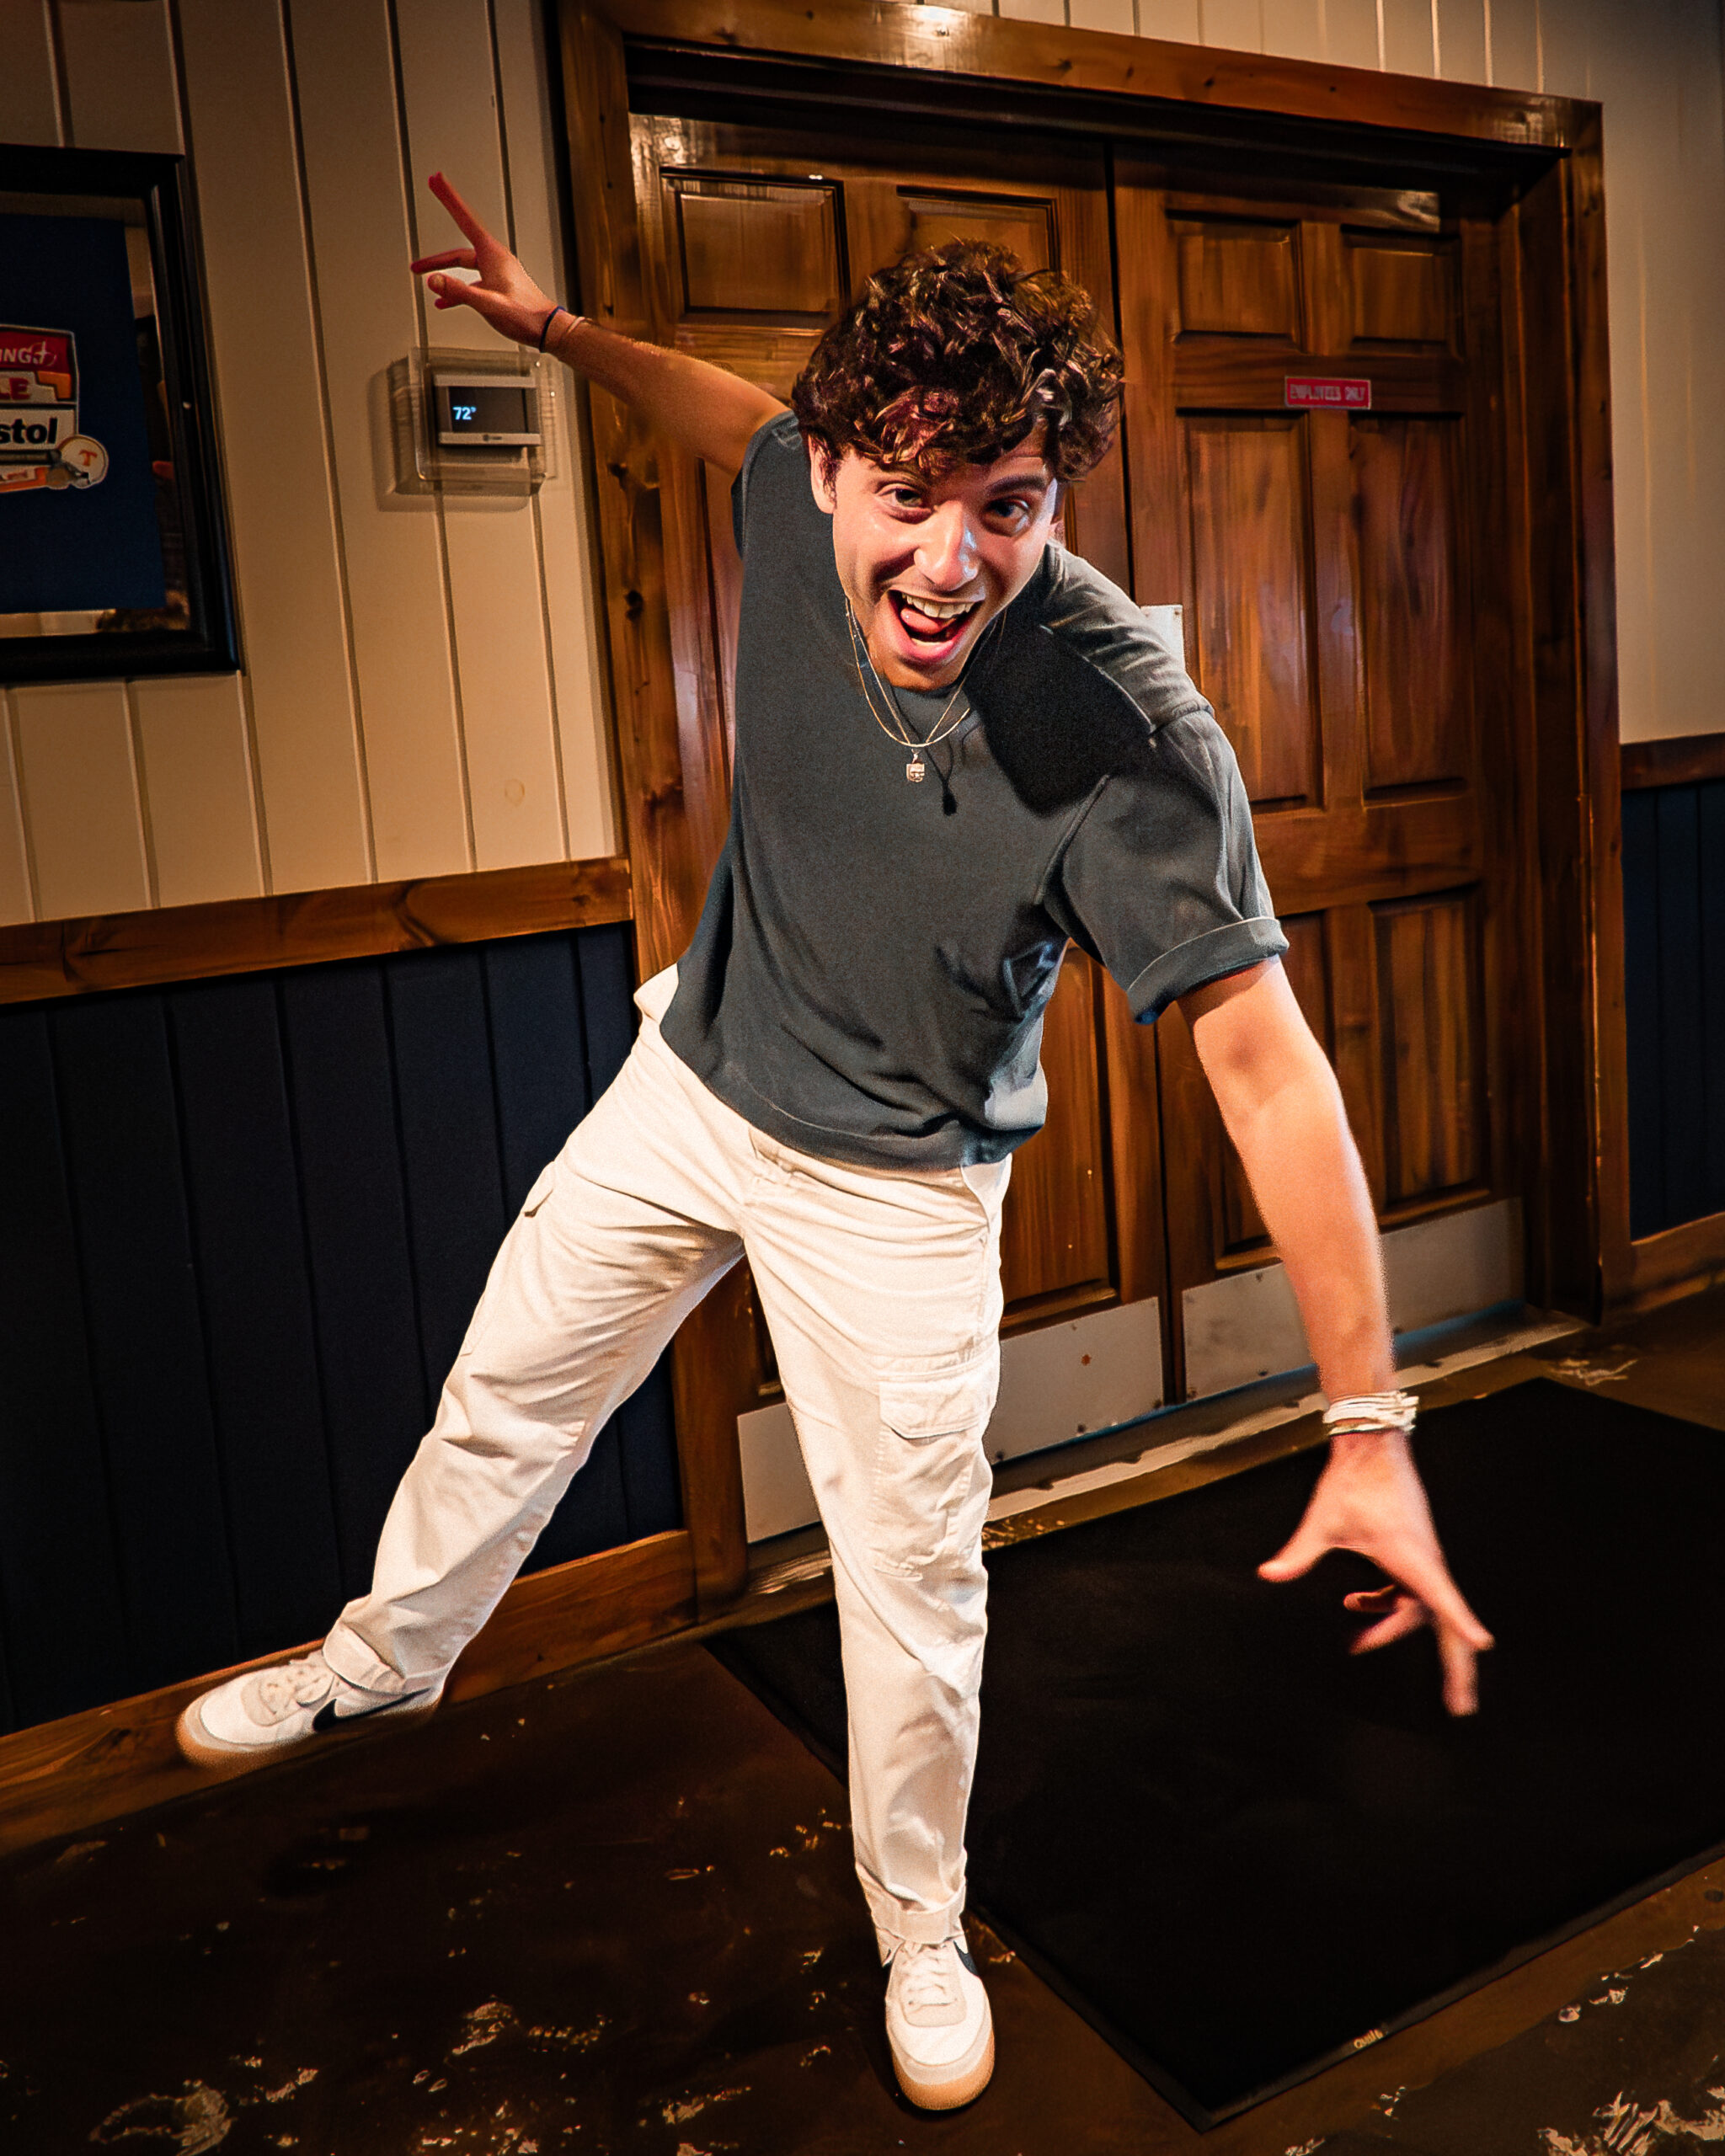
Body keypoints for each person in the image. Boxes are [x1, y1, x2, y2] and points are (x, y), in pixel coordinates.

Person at [177, 173, 1493, 2112]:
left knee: (909, 1584)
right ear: (827, 474)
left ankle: (919, 1922)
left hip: (898, 1185)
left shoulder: (1122, 725)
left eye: (1008, 504)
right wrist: (557, 335)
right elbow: (715, 405)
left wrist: (1367, 1421)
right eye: (907, 493)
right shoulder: (787, 501)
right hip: (696, 1077)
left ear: (1053, 497)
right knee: (509, 1390)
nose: (951, 559)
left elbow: (1267, 1068)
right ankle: (385, 1653)